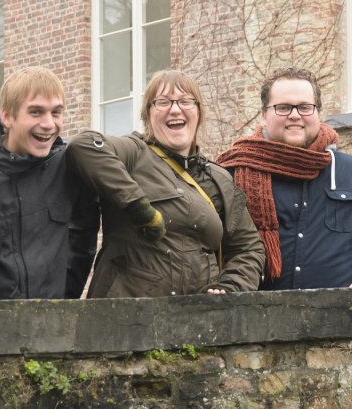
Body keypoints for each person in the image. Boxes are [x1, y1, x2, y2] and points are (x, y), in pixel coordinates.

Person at [66, 70, 265, 298]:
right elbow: (84, 145)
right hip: (125, 318)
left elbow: (250, 248)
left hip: (194, 319)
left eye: (185, 101)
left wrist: (231, 286)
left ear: (198, 112)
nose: (175, 109)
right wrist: (139, 208)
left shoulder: (218, 179)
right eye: (162, 102)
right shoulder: (135, 153)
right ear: (148, 114)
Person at [217, 67, 352, 290]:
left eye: (304, 107)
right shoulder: (231, 175)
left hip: (341, 318)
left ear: (318, 113)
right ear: (264, 115)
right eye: (283, 107)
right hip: (257, 318)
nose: (294, 115)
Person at [0, 66, 99, 299]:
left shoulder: (71, 166)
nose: (49, 124)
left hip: (55, 322)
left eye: (56, 112)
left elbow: (83, 238)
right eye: (36, 112)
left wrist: (65, 299)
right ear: (7, 116)